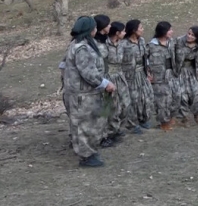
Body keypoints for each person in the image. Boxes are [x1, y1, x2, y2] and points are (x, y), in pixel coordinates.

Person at [63, 16, 116, 167]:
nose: (95, 30)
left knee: (90, 123)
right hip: (82, 95)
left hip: (86, 93)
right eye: (93, 27)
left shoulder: (82, 44)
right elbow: (88, 72)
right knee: (83, 125)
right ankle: (86, 156)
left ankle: (89, 151)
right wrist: (105, 83)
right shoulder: (81, 48)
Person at [101, 22, 131, 145]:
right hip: (109, 78)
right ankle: (108, 133)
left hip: (120, 77)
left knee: (125, 103)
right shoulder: (104, 45)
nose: (125, 33)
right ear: (117, 33)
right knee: (110, 107)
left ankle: (118, 127)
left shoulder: (122, 44)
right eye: (123, 31)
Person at [121, 20, 154, 132]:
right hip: (130, 76)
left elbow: (145, 58)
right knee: (133, 100)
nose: (142, 29)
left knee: (145, 97)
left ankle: (143, 119)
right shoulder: (123, 44)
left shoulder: (142, 41)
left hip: (142, 74)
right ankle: (132, 123)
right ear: (134, 30)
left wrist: (148, 72)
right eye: (140, 27)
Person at [148, 21, 179, 131]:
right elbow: (144, 60)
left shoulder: (172, 42)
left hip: (171, 75)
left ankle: (171, 118)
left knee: (176, 96)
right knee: (162, 101)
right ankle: (163, 122)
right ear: (163, 31)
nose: (172, 32)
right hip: (158, 78)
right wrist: (148, 73)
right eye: (169, 30)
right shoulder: (151, 45)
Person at [174, 26, 198, 125]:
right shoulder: (178, 41)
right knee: (182, 95)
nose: (189, 36)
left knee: (195, 94)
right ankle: (185, 117)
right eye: (189, 33)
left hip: (192, 71)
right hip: (180, 71)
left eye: (193, 35)